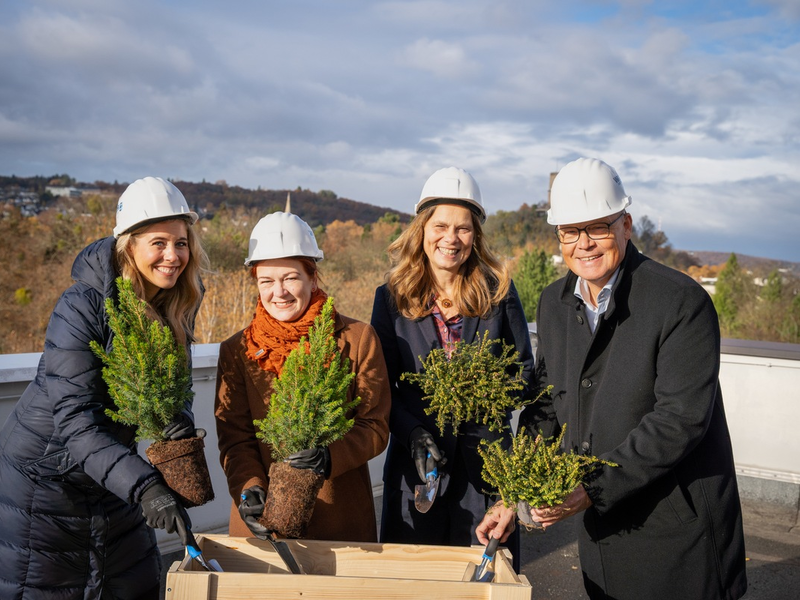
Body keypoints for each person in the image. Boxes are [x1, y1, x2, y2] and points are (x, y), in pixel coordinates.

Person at [477, 157, 747, 599]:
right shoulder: (554, 302)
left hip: (679, 536)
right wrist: (512, 493)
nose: (583, 244)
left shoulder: (680, 302)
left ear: (626, 224)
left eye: (597, 227)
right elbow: (548, 406)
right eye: (569, 230)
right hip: (603, 538)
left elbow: (680, 420)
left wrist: (590, 488)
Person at [0, 177, 208, 599]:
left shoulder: (176, 304)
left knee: (136, 582)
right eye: (159, 243)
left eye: (182, 243)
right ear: (128, 245)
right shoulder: (83, 304)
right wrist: (145, 486)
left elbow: (169, 396)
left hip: (111, 471)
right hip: (46, 484)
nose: (173, 256)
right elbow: (76, 421)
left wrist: (177, 440)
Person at [370, 167, 534, 567]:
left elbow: (525, 373)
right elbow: (381, 387)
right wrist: (414, 434)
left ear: (475, 234)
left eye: (463, 228)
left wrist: (487, 395)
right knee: (412, 581)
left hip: (486, 475)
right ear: (422, 229)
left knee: (485, 579)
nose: (451, 238)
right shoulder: (391, 298)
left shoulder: (498, 292)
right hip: (417, 475)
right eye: (441, 225)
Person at [215, 211, 390, 542]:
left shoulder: (357, 339)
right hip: (262, 529)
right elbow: (235, 440)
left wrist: (329, 456)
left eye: (290, 278)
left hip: (339, 523)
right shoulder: (236, 350)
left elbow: (375, 427)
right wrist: (249, 490)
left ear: (313, 277)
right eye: (266, 281)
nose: (278, 292)